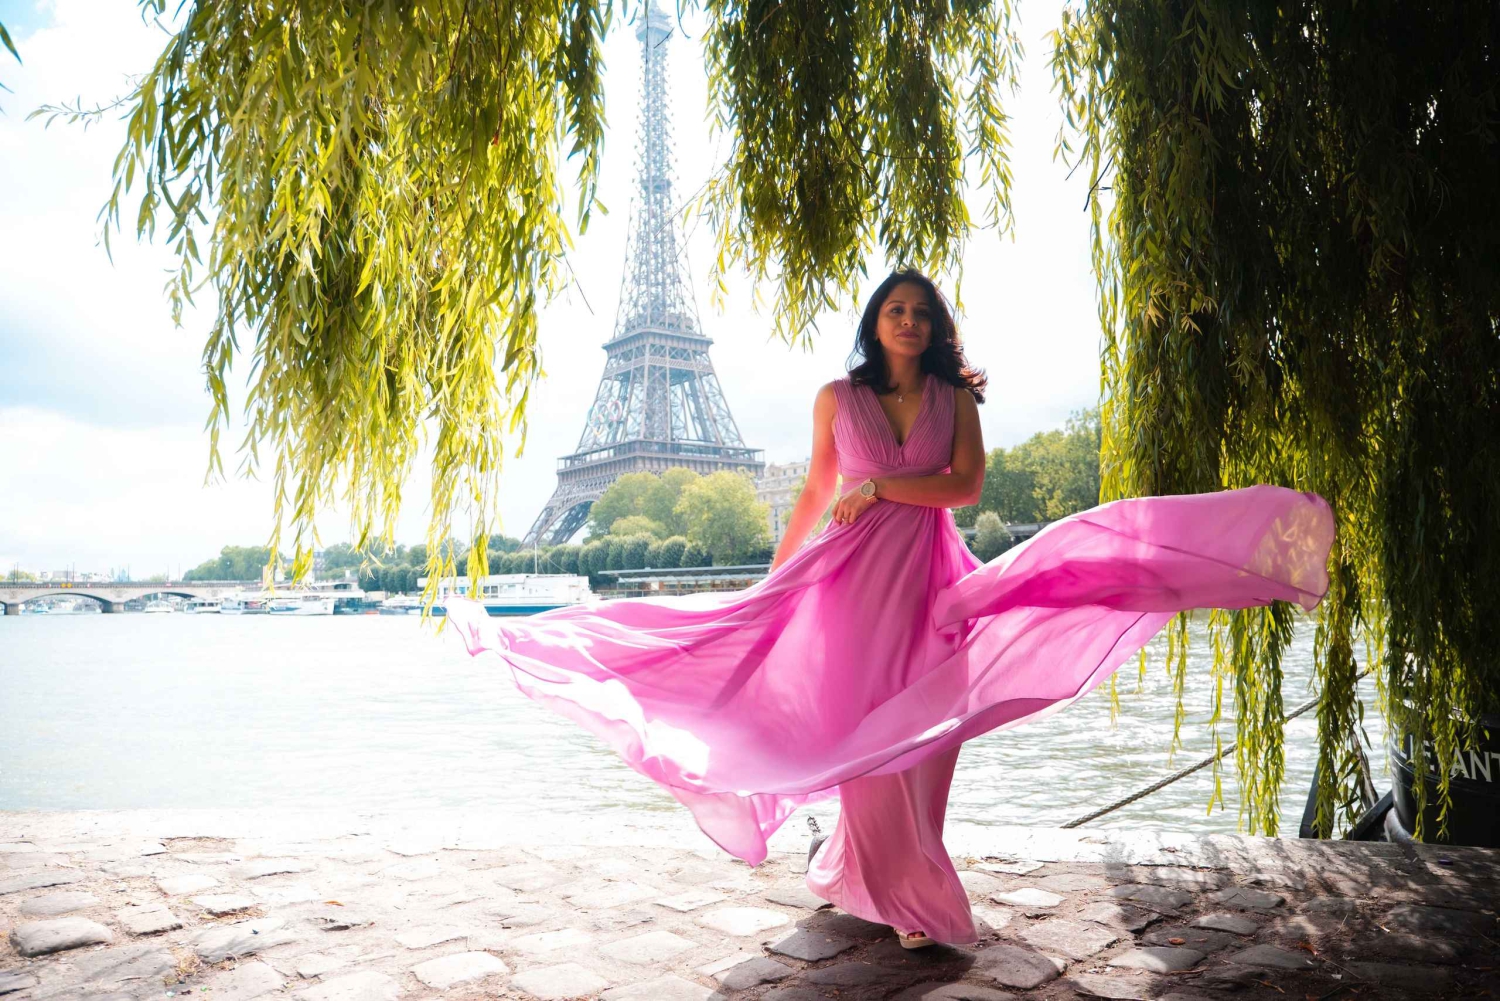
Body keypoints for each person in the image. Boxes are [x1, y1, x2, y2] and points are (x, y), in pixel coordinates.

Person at [444, 268, 1335, 949]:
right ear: (874, 322)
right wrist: (774, 575)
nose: (908, 322)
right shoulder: (839, 399)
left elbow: (967, 487)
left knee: (925, 737)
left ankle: (873, 870)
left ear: (937, 326)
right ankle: (906, 895)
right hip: (846, 584)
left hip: (929, 580)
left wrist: (880, 493)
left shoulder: (956, 398)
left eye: (922, 312)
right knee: (867, 730)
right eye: (894, 310)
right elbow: (814, 496)